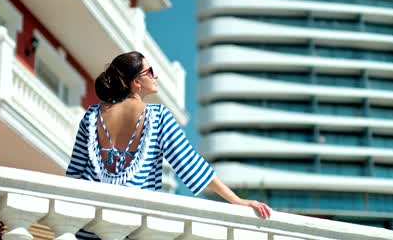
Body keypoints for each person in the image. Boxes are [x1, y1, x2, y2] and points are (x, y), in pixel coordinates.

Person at [66, 51, 271, 239]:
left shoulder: (92, 116)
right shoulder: (158, 117)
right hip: (134, 230)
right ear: (136, 81)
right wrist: (237, 200)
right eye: (151, 72)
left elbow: (74, 176)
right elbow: (190, 165)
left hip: (89, 229)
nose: (156, 77)